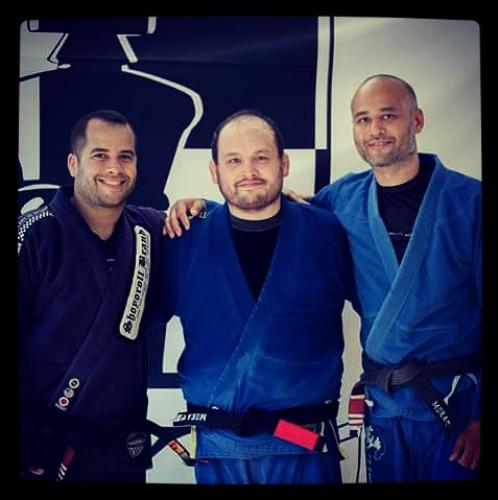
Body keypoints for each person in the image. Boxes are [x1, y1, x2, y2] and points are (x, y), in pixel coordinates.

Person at [165, 75, 481, 482]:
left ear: (416, 120)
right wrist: (199, 208)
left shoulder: (466, 203)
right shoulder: (340, 202)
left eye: (388, 116)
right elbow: (264, 211)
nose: (376, 128)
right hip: (379, 410)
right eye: (364, 119)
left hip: (453, 403)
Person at [159, 109, 358, 484]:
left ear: (284, 163)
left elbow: (381, 308)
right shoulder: (183, 238)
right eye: (234, 160)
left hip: (303, 444)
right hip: (219, 448)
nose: (248, 170)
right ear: (214, 171)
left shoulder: (328, 232)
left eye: (261, 157)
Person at [18, 109, 166, 482]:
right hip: (44, 449)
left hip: (121, 451)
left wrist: (280, 204)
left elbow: (218, 225)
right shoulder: (32, 235)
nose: (115, 168)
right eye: (100, 155)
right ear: (73, 163)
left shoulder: (151, 229)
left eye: (125, 156)